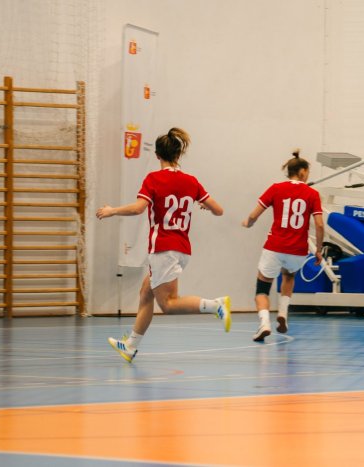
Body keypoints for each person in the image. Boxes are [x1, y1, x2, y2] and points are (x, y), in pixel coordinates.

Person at [96, 128, 231, 363]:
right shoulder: (191, 182)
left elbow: (138, 208)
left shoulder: (154, 179)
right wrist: (202, 204)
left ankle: (216, 306)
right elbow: (219, 210)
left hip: (164, 249)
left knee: (168, 304)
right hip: (181, 249)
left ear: (158, 155)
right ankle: (130, 346)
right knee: (146, 292)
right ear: (179, 155)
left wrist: (112, 211)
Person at [242, 150, 324, 342]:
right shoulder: (312, 194)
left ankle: (264, 324)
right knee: (289, 276)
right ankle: (283, 313)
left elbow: (254, 215)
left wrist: (248, 223)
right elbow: (320, 225)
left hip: (275, 246)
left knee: (262, 289)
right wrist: (319, 250)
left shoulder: (276, 188)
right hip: (297, 250)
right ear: (302, 172)